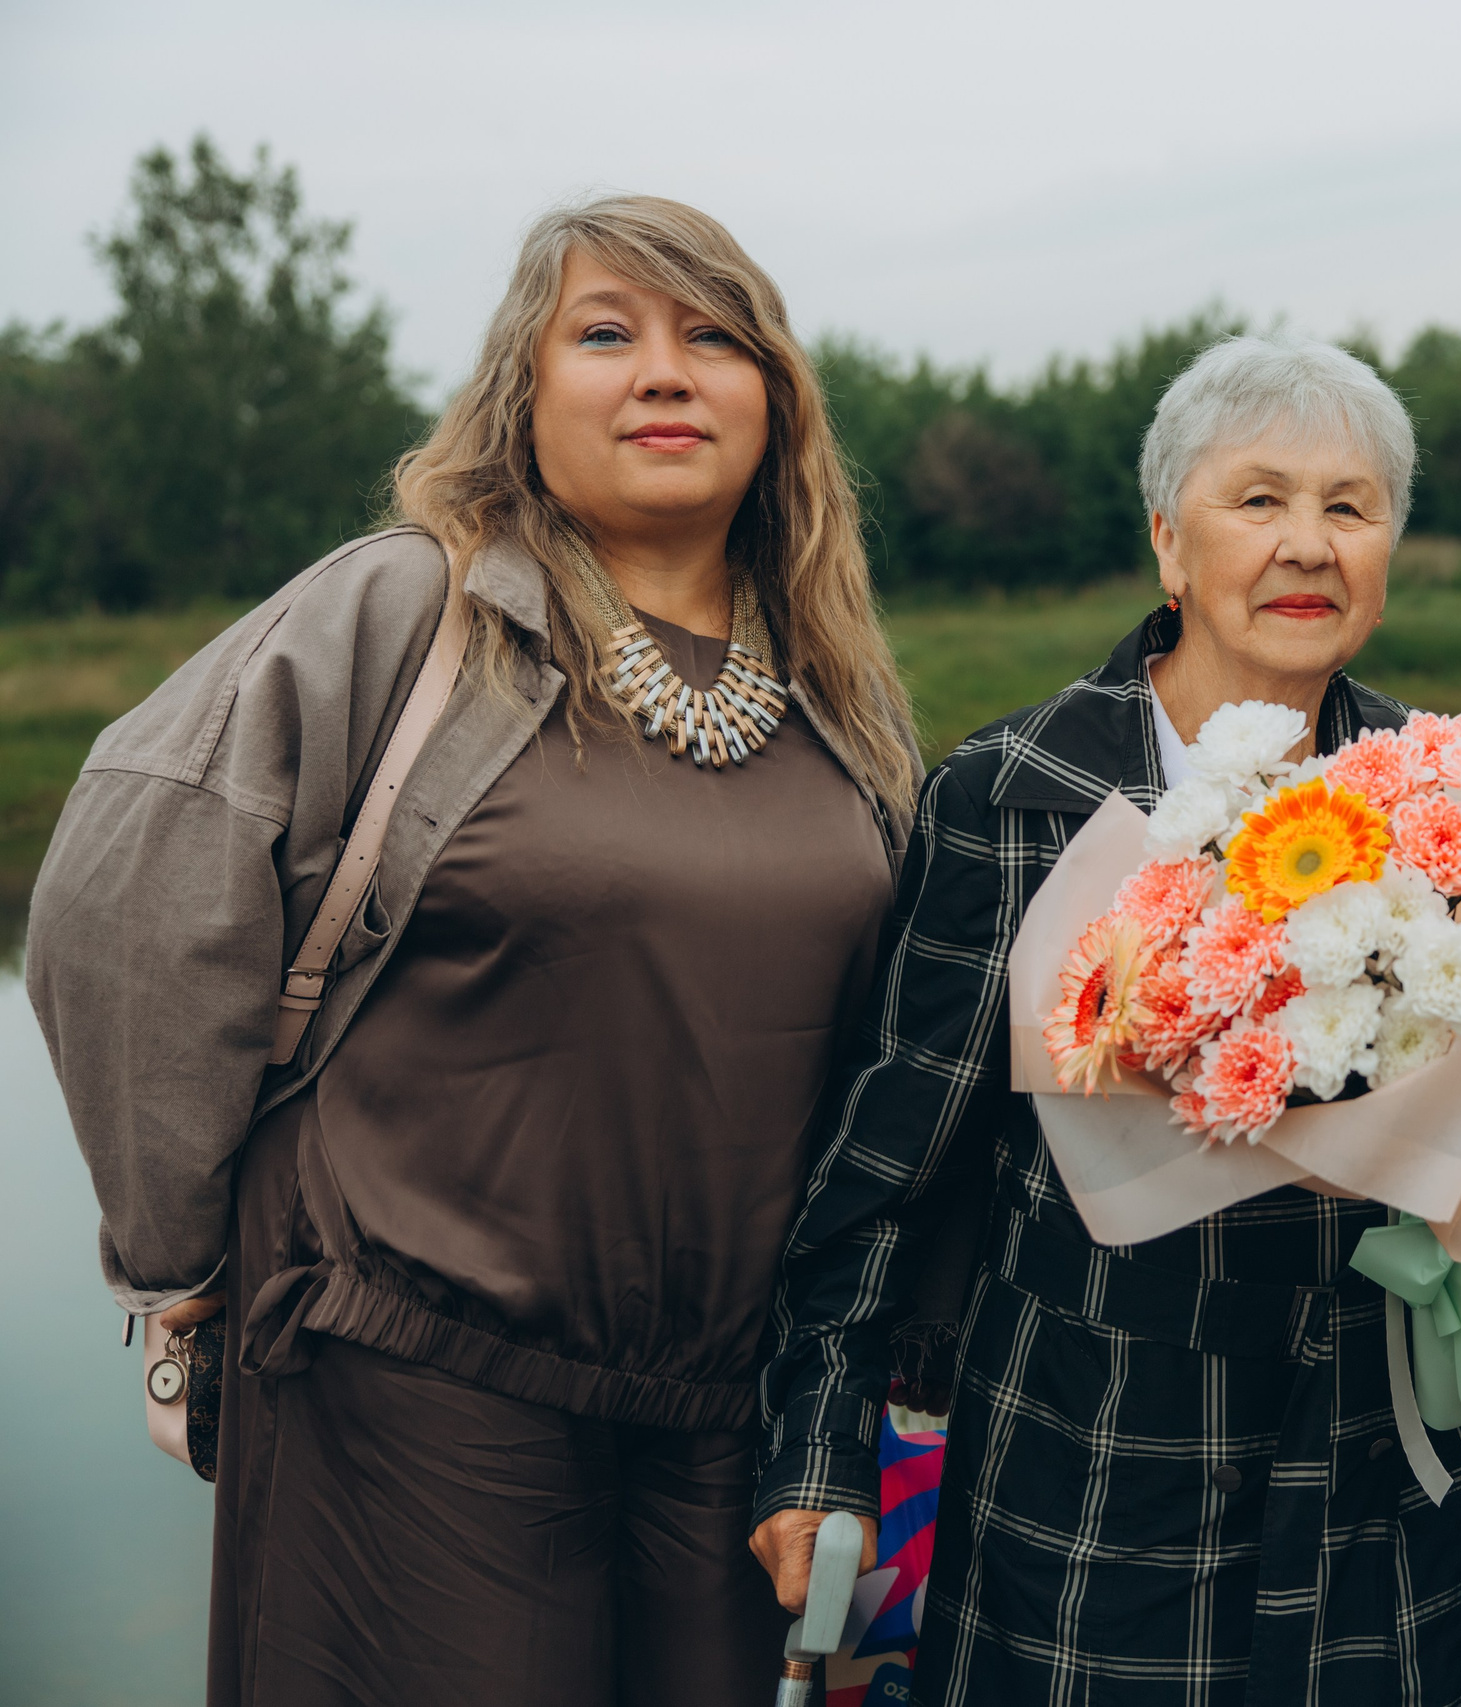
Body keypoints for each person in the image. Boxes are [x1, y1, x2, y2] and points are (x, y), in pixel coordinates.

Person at [29, 194, 921, 1707]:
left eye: (714, 338)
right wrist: (174, 1263)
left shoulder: (842, 692)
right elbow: (127, 887)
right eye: (606, 333)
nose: (663, 372)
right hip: (414, 1376)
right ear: (524, 394)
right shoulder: (409, 612)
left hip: (734, 1412)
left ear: (775, 402)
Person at [751, 334, 1461, 1705]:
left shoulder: (1458, 802)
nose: (1308, 544)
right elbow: (885, 1164)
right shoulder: (1015, 795)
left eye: (1350, 506)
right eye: (1258, 501)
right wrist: (820, 1451)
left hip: (1377, 1470)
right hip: (1096, 1468)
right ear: (1167, 543)